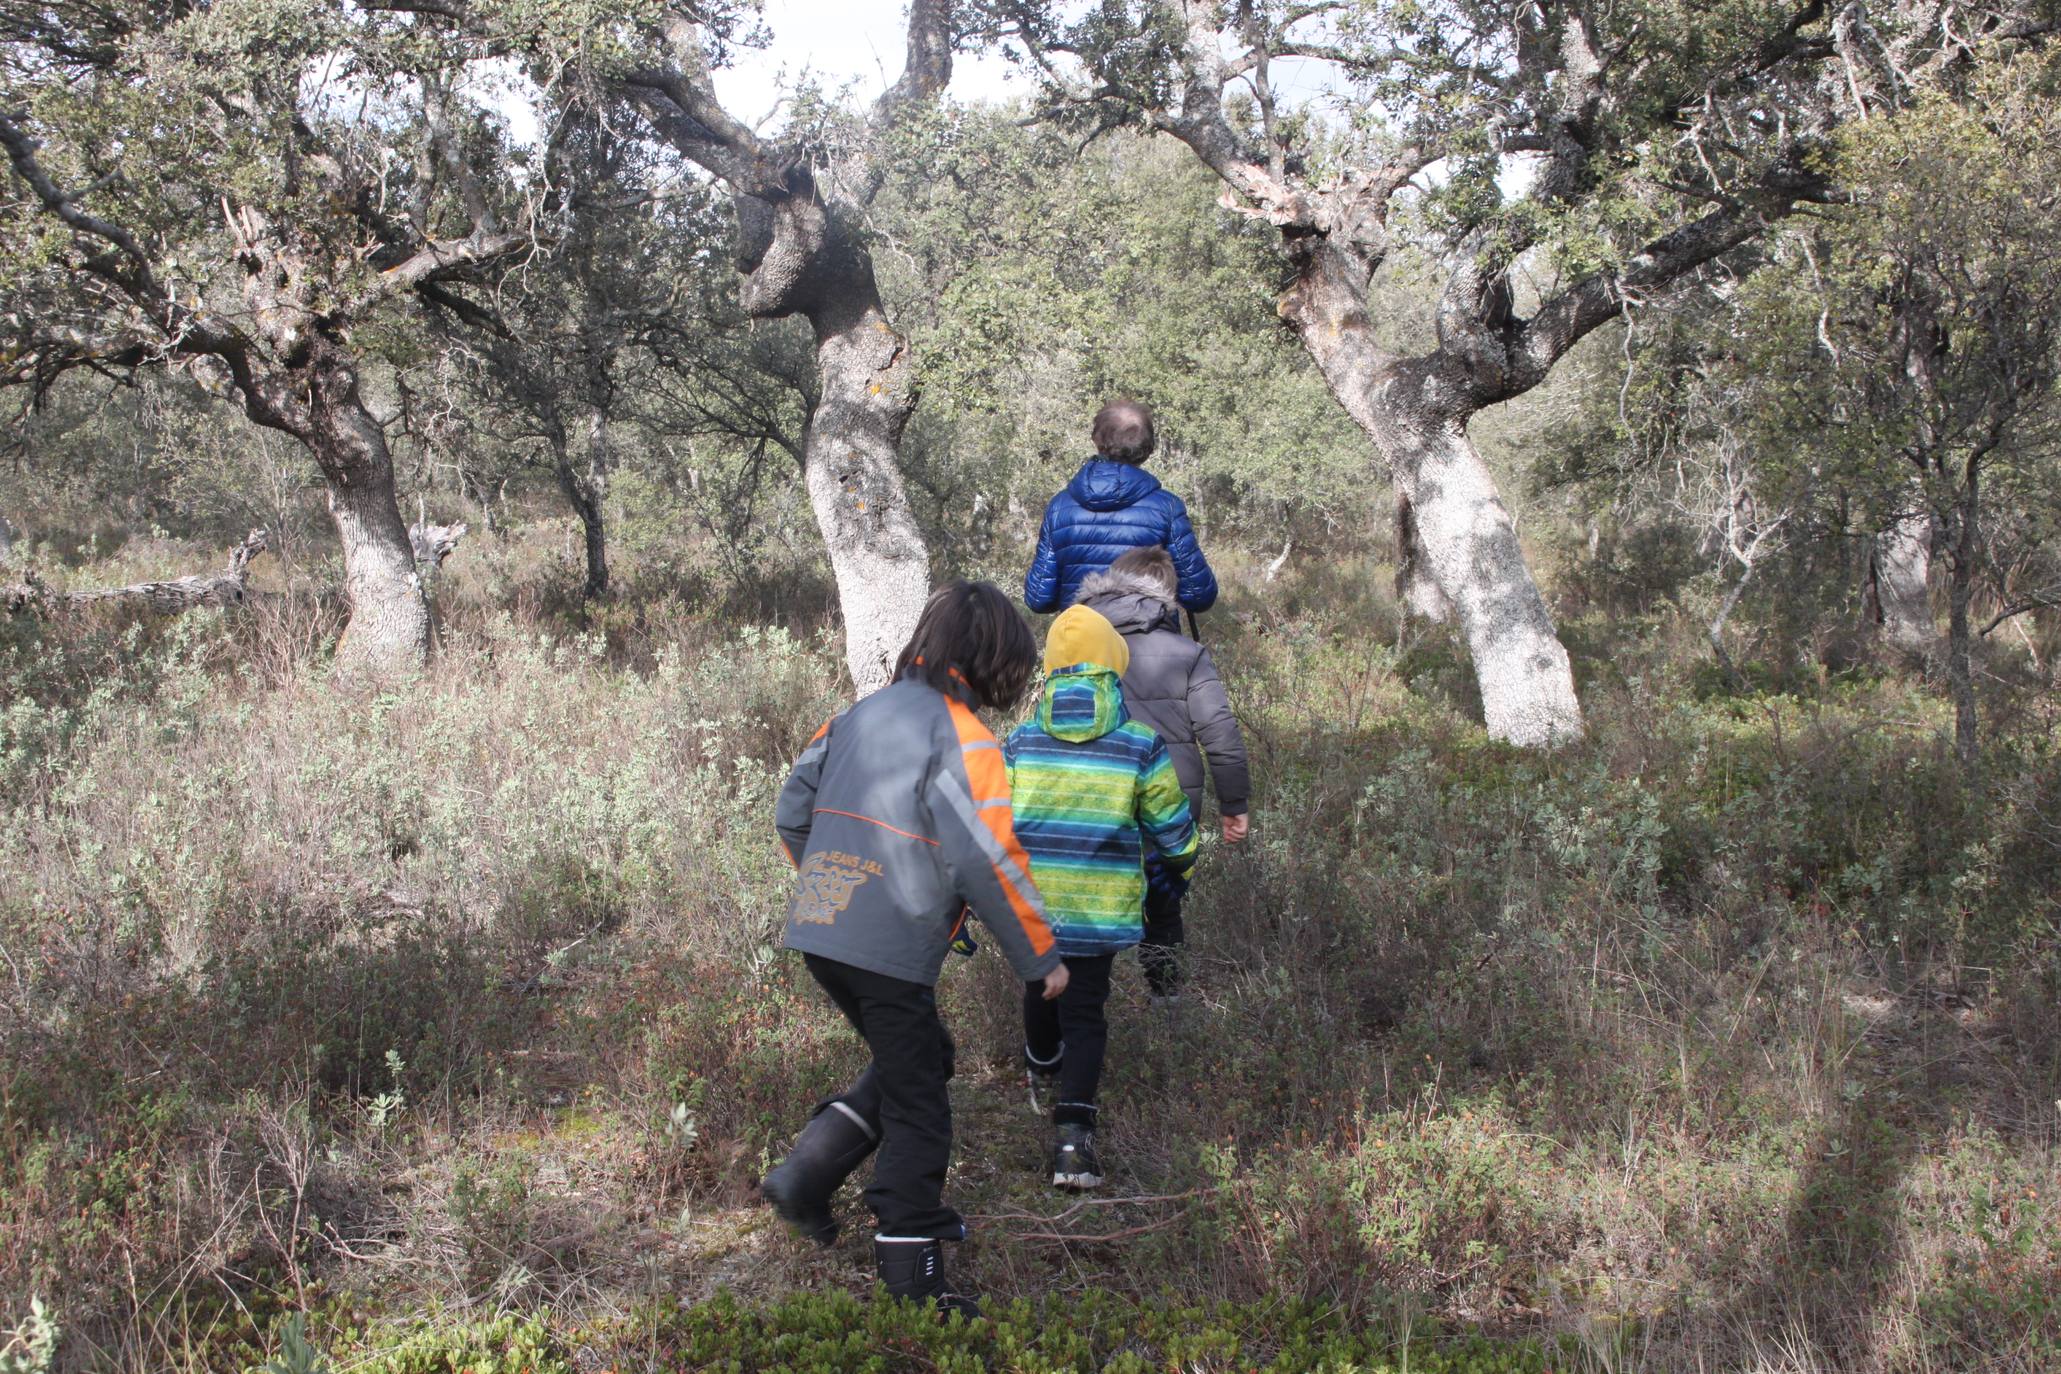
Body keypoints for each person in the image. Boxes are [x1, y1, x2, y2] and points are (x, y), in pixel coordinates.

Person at [762, 581, 1069, 1317]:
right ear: (997, 659)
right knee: (920, 1108)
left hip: (821, 932)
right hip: (882, 947)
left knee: (920, 1056)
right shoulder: (967, 739)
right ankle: (914, 1283)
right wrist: (1042, 960)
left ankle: (804, 1177)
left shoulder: (854, 715)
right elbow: (987, 861)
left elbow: (791, 810)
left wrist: (835, 886)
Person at [1006, 604, 1198, 1190]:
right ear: (1115, 669)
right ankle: (1072, 1145)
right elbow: (1171, 826)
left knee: (1041, 986)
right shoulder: (1139, 744)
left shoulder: (1019, 742)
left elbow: (993, 822)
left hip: (1030, 908)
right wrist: (1181, 868)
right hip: (1099, 909)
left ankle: (1041, 1062)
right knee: (1085, 1013)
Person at [1074, 545, 1250, 1002]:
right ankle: (1167, 1006)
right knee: (1164, 908)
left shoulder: (1076, 645)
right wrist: (1235, 806)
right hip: (1169, 802)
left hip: (1094, 797)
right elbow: (1221, 735)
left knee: (1092, 902)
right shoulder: (1187, 653)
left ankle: (1086, 1009)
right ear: (1167, 596)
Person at [1023, 399, 1218, 614]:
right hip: (1148, 641)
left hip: (1083, 641)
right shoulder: (1167, 508)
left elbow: (1039, 597)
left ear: (1097, 441)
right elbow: (1199, 595)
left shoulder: (1059, 507)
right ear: (1148, 449)